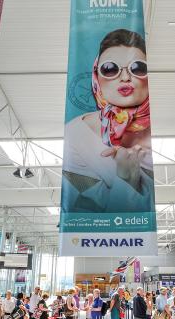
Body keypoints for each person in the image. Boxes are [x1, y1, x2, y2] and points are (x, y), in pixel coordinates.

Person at [62, 29, 154, 214]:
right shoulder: (76, 135)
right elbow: (87, 213)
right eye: (110, 69)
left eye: (138, 68)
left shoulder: (160, 130)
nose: (126, 77)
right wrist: (126, 179)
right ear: (97, 76)